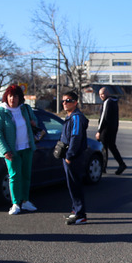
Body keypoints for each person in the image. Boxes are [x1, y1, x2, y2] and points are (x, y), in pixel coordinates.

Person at [0, 84, 39, 215]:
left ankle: (25, 201)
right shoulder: (1, 112)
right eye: (10, 96)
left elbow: (35, 121)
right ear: (6, 97)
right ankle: (15, 203)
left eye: (16, 96)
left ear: (20, 98)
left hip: (27, 147)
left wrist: (34, 122)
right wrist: (5, 151)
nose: (13, 99)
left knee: (26, 175)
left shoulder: (25, 109)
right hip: (12, 151)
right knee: (14, 176)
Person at [60, 91, 89, 225]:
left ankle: (80, 214)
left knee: (75, 185)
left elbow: (75, 138)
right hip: (68, 156)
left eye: (68, 100)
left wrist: (70, 155)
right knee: (72, 185)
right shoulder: (70, 116)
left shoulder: (76, 117)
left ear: (75, 102)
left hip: (74, 157)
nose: (65, 103)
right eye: (63, 101)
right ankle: (75, 211)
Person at [97, 87, 127, 175]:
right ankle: (121, 164)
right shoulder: (114, 101)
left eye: (102, 94)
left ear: (107, 93)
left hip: (106, 129)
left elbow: (103, 117)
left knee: (103, 148)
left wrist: (99, 131)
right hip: (113, 128)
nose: (101, 96)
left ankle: (103, 168)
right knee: (112, 147)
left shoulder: (108, 102)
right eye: (99, 94)